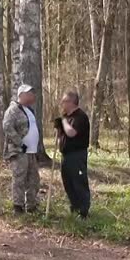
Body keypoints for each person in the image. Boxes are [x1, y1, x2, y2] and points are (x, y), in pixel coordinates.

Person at [2, 84, 43, 214]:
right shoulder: (13, 110)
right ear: (21, 95)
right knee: (19, 178)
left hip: (31, 152)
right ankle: (18, 207)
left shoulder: (30, 110)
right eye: (29, 93)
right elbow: (7, 127)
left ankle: (31, 205)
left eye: (32, 93)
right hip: (19, 151)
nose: (32, 96)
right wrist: (20, 143)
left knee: (34, 179)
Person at [54, 90, 91, 219]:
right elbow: (62, 136)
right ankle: (74, 206)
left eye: (64, 101)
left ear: (71, 102)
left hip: (77, 155)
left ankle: (83, 211)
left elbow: (71, 133)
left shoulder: (80, 117)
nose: (62, 103)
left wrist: (63, 122)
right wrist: (59, 129)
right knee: (68, 182)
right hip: (66, 155)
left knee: (78, 182)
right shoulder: (67, 117)